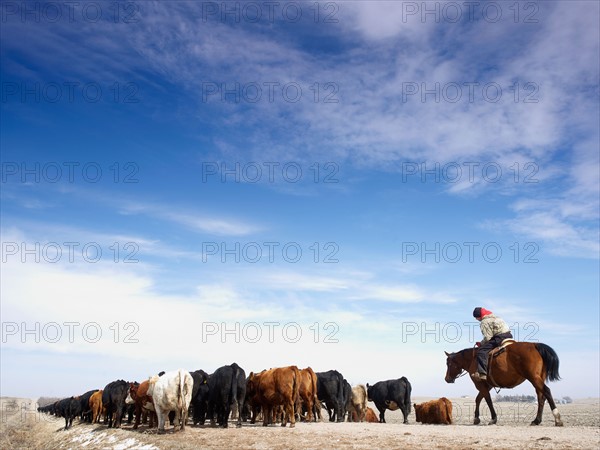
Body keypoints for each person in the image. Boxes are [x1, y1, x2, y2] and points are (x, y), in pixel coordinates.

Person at [472, 307, 513, 381]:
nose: (476, 319)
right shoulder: (497, 317)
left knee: (481, 352)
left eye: (476, 317)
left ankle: (482, 373)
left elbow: (488, 337)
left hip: (499, 338)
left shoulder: (484, 322)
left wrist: (481, 344)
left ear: (479, 316)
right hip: (508, 335)